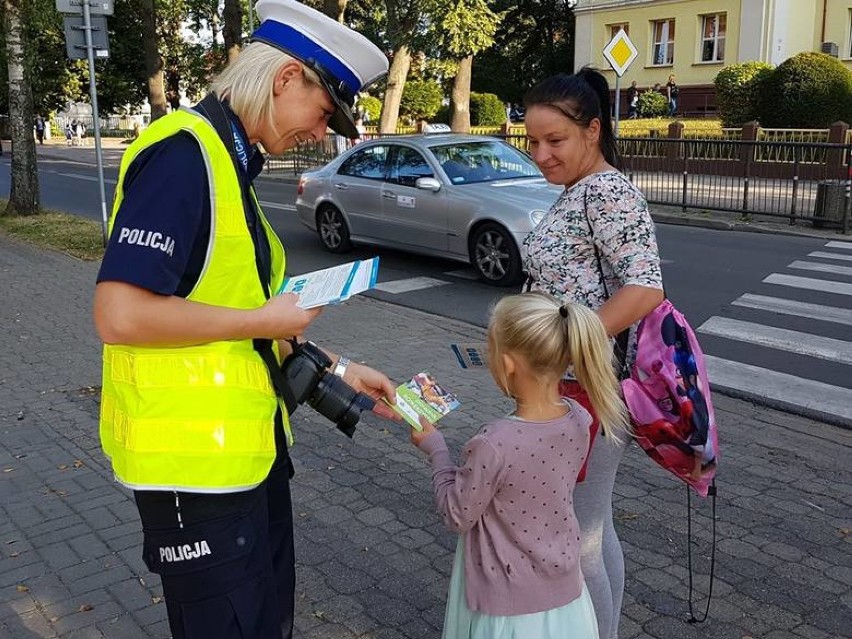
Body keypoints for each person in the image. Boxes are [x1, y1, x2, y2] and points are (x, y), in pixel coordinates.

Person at [91, 1, 392, 638]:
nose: (321, 134)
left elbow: (251, 324)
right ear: (286, 78)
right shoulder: (184, 155)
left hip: (244, 463)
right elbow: (119, 313)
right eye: (323, 114)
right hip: (195, 475)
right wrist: (262, 314)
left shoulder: (231, 165)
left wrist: (339, 371)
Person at [522, 68, 665, 639]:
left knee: (576, 536)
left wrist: (566, 343)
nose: (540, 154)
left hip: (588, 392)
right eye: (531, 141)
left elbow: (645, 287)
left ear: (593, 130)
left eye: (554, 141)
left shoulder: (605, 190)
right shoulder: (579, 190)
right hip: (578, 387)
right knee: (593, 529)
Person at [411, 292, 628, 639]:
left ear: (508, 363)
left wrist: (436, 450)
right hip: (567, 597)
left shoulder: (493, 443)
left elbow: (457, 513)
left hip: (506, 608)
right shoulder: (579, 418)